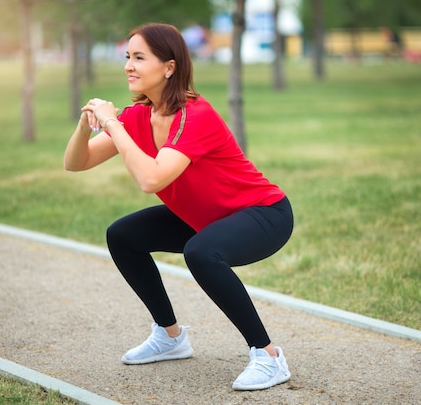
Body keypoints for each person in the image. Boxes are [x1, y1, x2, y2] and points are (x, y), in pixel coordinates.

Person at [64, 23, 294, 391]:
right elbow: (76, 163)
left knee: (201, 252)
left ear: (169, 67)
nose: (129, 65)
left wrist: (111, 122)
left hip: (263, 213)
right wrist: (83, 127)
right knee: (122, 236)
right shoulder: (138, 117)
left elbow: (151, 180)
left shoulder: (193, 114)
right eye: (127, 57)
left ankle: (268, 356)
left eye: (139, 57)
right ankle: (171, 337)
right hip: (205, 216)